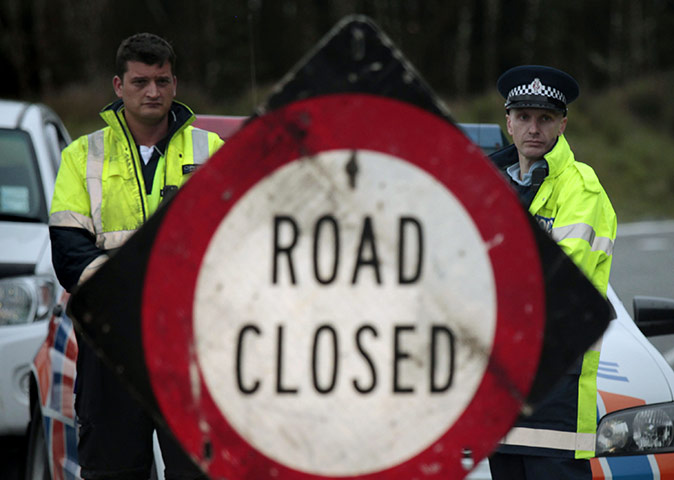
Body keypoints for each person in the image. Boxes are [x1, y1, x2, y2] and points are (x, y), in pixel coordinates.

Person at [49, 33, 224, 480]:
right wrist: (128, 294)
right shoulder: (80, 157)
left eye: (162, 81)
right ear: (118, 85)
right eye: (141, 81)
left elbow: (235, 244)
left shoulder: (213, 153)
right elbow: (69, 253)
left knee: (199, 469)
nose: (152, 91)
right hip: (111, 346)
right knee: (111, 469)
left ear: (175, 83)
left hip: (189, 344)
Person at [487, 65, 617, 479]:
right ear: (508, 121)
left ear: (563, 123)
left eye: (544, 118)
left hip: (554, 394)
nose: (533, 128)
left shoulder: (582, 189)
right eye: (523, 117)